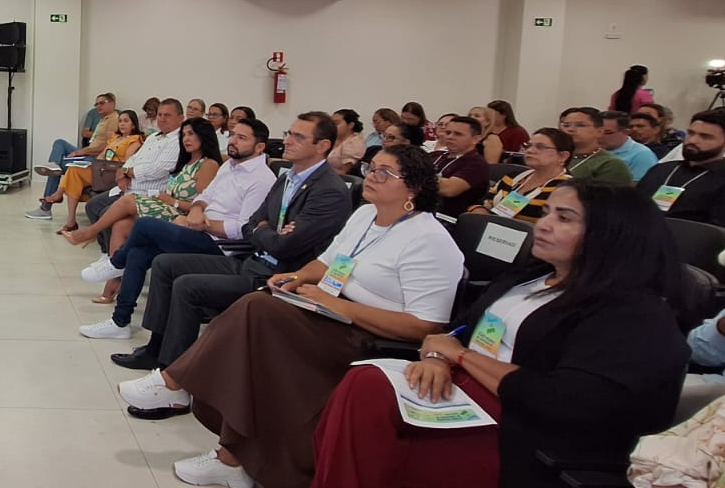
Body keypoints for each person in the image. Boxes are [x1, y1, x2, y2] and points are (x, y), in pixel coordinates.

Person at [122, 144, 462, 488]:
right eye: (371, 168)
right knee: (259, 311)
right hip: (329, 311)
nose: (371, 177)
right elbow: (326, 263)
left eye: (384, 173)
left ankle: (177, 385)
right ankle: (230, 455)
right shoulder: (365, 215)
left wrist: (339, 306)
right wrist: (297, 277)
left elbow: (425, 325)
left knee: (258, 312)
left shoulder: (429, 240)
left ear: (414, 187)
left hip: (368, 336)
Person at [313, 181, 689, 488]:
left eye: (564, 218)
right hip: (461, 388)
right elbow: (458, 331)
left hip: (520, 427)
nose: (543, 225)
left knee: (366, 394)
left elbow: (566, 401)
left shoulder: (632, 314)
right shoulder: (530, 277)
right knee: (363, 388)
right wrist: (438, 357)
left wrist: (461, 357)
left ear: (611, 235)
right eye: (546, 213)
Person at [109, 115, 353, 376]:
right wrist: (266, 229)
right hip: (253, 260)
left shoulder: (329, 190)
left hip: (277, 275)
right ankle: (156, 350)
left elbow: (283, 245)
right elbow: (252, 225)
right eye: (289, 133)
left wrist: (264, 229)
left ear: (323, 145)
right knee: (164, 264)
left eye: (299, 137)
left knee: (185, 282)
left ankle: (174, 372)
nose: (288, 141)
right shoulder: (287, 178)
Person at [72, 118, 258, 339]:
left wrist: (193, 217)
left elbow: (245, 228)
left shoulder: (248, 176)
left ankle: (114, 261)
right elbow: (205, 198)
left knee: (143, 223)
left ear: (259, 147)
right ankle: (120, 322)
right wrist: (197, 210)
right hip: (195, 224)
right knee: (137, 251)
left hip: (217, 242)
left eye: (241, 137)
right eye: (184, 134)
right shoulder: (227, 167)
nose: (233, 140)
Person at [63, 116, 221, 253]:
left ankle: (90, 232)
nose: (186, 139)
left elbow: (202, 205)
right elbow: (132, 160)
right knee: (120, 225)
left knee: (129, 200)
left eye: (191, 134)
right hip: (167, 205)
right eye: (184, 135)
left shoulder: (207, 165)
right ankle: (114, 269)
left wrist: (173, 202)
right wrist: (125, 172)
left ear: (203, 136)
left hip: (181, 215)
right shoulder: (185, 162)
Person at [78, 100, 186, 253]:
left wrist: (127, 172)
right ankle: (107, 252)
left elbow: (157, 170)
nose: (162, 119)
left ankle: (115, 257)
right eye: (160, 115)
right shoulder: (153, 137)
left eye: (167, 115)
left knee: (106, 213)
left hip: (147, 192)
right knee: (92, 206)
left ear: (181, 118)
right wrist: (123, 172)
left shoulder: (178, 140)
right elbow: (133, 159)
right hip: (127, 186)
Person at [37, 109, 146, 233]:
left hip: (115, 172)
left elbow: (128, 161)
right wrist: (96, 165)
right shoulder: (115, 137)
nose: (122, 124)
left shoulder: (135, 140)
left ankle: (59, 195)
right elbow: (102, 155)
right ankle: (70, 220)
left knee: (74, 172)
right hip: (102, 170)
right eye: (120, 121)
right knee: (73, 170)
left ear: (133, 124)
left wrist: (106, 164)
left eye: (126, 121)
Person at [636, 108, 725, 230]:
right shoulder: (661, 169)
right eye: (691, 133)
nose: (692, 140)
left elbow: (721, 232)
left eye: (705, 137)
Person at [29, 94, 119, 218]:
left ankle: (45, 208)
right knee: (59, 143)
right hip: (89, 152)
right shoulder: (103, 119)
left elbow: (107, 146)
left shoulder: (114, 120)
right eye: (96, 104)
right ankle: (53, 165)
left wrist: (81, 152)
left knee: (55, 170)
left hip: (95, 159)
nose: (98, 106)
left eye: (102, 103)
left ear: (112, 103)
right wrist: (82, 151)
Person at [469, 128, 573, 223]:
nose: (530, 150)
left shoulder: (568, 189)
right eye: (528, 145)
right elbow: (484, 202)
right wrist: (479, 210)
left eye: (540, 147)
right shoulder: (513, 177)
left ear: (563, 156)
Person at [430, 116, 491, 219]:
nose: (450, 137)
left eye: (458, 134)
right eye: (448, 132)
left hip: (448, 220)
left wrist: (414, 177)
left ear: (475, 139)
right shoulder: (435, 155)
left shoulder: (477, 164)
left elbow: (449, 189)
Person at [558, 107, 634, 184]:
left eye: (580, 125)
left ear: (600, 131)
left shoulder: (610, 164)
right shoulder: (557, 156)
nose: (570, 129)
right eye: (566, 125)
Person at [598, 110, 658, 181]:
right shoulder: (592, 149)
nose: (600, 136)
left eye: (607, 133)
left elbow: (637, 186)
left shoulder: (642, 155)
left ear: (625, 132)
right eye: (598, 132)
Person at [328, 109, 366, 175]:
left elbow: (345, 173)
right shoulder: (330, 139)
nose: (332, 126)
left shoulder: (354, 143)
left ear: (350, 125)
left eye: (336, 123)